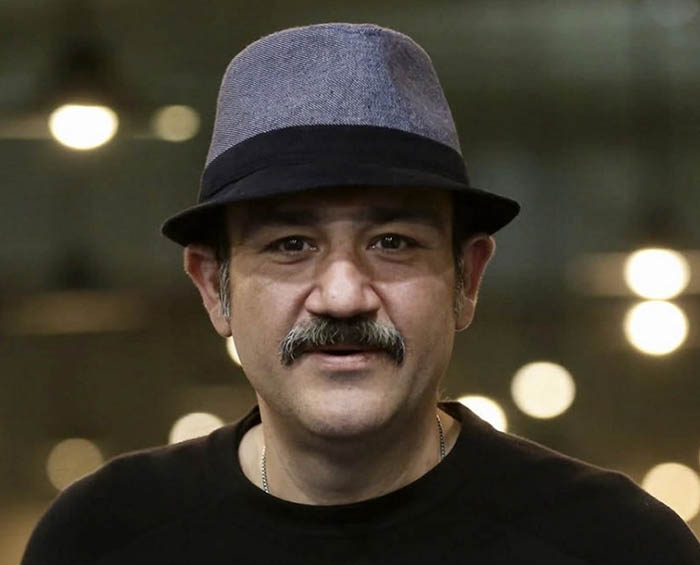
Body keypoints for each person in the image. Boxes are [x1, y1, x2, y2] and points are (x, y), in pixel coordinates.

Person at [23, 22, 700, 565]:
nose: (344, 296)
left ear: (467, 279)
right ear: (213, 288)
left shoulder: (616, 545)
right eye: (291, 245)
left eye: (393, 242)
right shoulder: (102, 538)